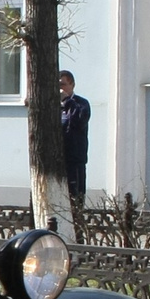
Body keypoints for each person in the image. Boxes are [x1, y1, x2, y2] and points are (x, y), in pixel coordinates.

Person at [59, 70, 90, 208]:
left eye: (63, 84)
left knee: (75, 199)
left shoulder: (81, 104)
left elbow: (78, 121)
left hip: (74, 160)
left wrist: (67, 101)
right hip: (57, 160)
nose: (60, 89)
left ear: (72, 85)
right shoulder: (51, 105)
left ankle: (77, 227)